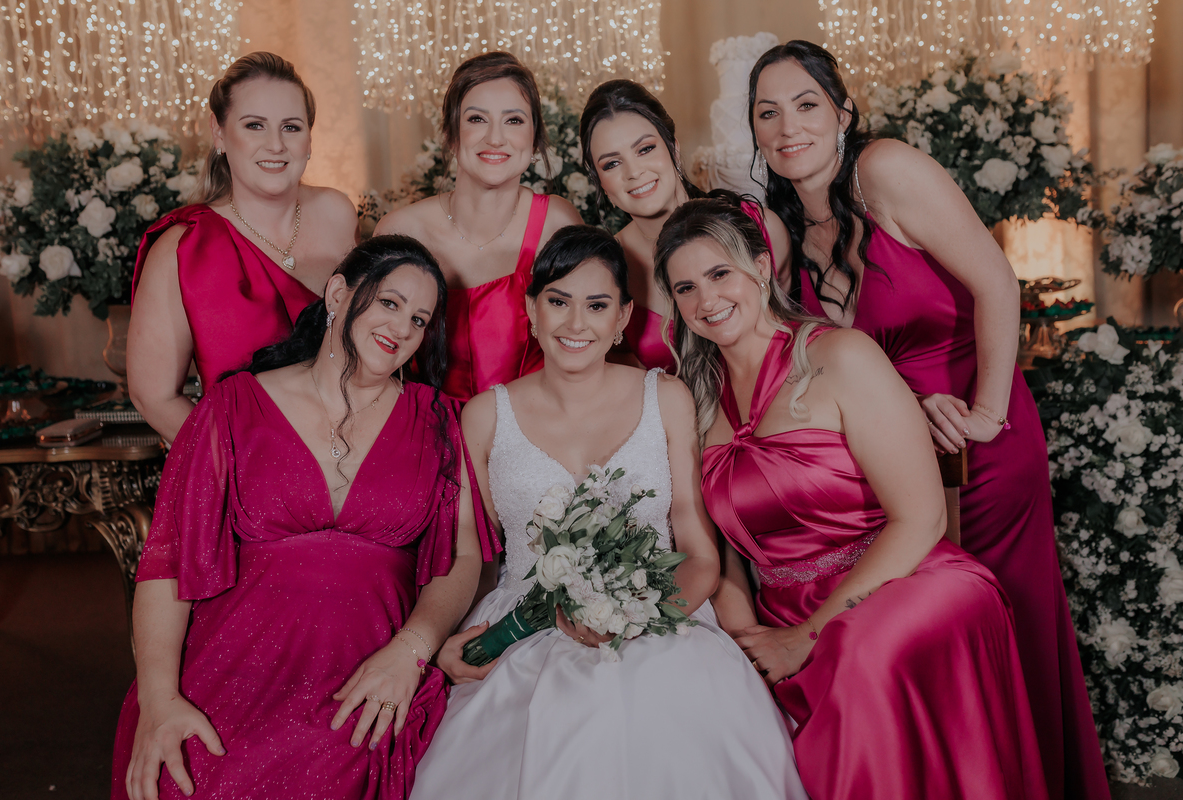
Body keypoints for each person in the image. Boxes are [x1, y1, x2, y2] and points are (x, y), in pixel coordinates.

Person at [747, 40, 1107, 799]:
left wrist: (989, 414)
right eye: (767, 113)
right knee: (939, 645)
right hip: (892, 460)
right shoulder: (782, 235)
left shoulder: (886, 171)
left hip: (981, 436)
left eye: (806, 105)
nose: (788, 127)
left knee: (1010, 622)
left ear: (844, 113)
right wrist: (907, 411)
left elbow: (996, 282)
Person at [658, 198, 1048, 800]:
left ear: (760, 267)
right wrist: (741, 636)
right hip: (780, 606)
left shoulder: (841, 355)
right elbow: (719, 546)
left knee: (858, 655)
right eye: (686, 287)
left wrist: (810, 634)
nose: (706, 300)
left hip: (905, 578)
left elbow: (921, 518)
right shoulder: (694, 395)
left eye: (719, 273)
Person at [410, 226, 808, 800]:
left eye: (597, 306)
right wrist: (445, 639)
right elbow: (472, 557)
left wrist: (634, 617)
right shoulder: (483, 416)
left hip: (663, 613)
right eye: (558, 302)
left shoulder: (665, 397)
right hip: (524, 622)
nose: (577, 323)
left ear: (623, 318)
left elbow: (699, 555)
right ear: (531, 309)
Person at [112, 236, 491, 800]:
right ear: (338, 293)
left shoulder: (438, 421)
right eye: (389, 303)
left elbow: (461, 554)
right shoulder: (231, 406)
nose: (402, 328)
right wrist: (160, 698)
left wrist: (412, 650)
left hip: (370, 678)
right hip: (234, 670)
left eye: (419, 318)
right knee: (195, 776)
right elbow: (168, 561)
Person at [128, 51, 358, 443]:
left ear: (309, 139)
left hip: (358, 454)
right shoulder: (181, 248)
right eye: (255, 125)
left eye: (291, 127)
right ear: (219, 133)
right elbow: (154, 397)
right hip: (248, 467)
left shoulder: (338, 213)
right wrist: (238, 464)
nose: (276, 145)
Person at [374, 52, 582, 401]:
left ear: (534, 138)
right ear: (451, 136)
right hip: (425, 425)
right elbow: (372, 358)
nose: (495, 138)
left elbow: (585, 342)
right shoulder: (401, 231)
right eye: (477, 119)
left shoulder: (557, 223)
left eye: (513, 120)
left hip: (539, 425)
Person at [580, 79, 789, 372]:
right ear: (600, 182)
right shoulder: (606, 270)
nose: (634, 172)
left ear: (674, 149)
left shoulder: (760, 226)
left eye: (645, 149)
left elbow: (796, 328)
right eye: (611, 164)